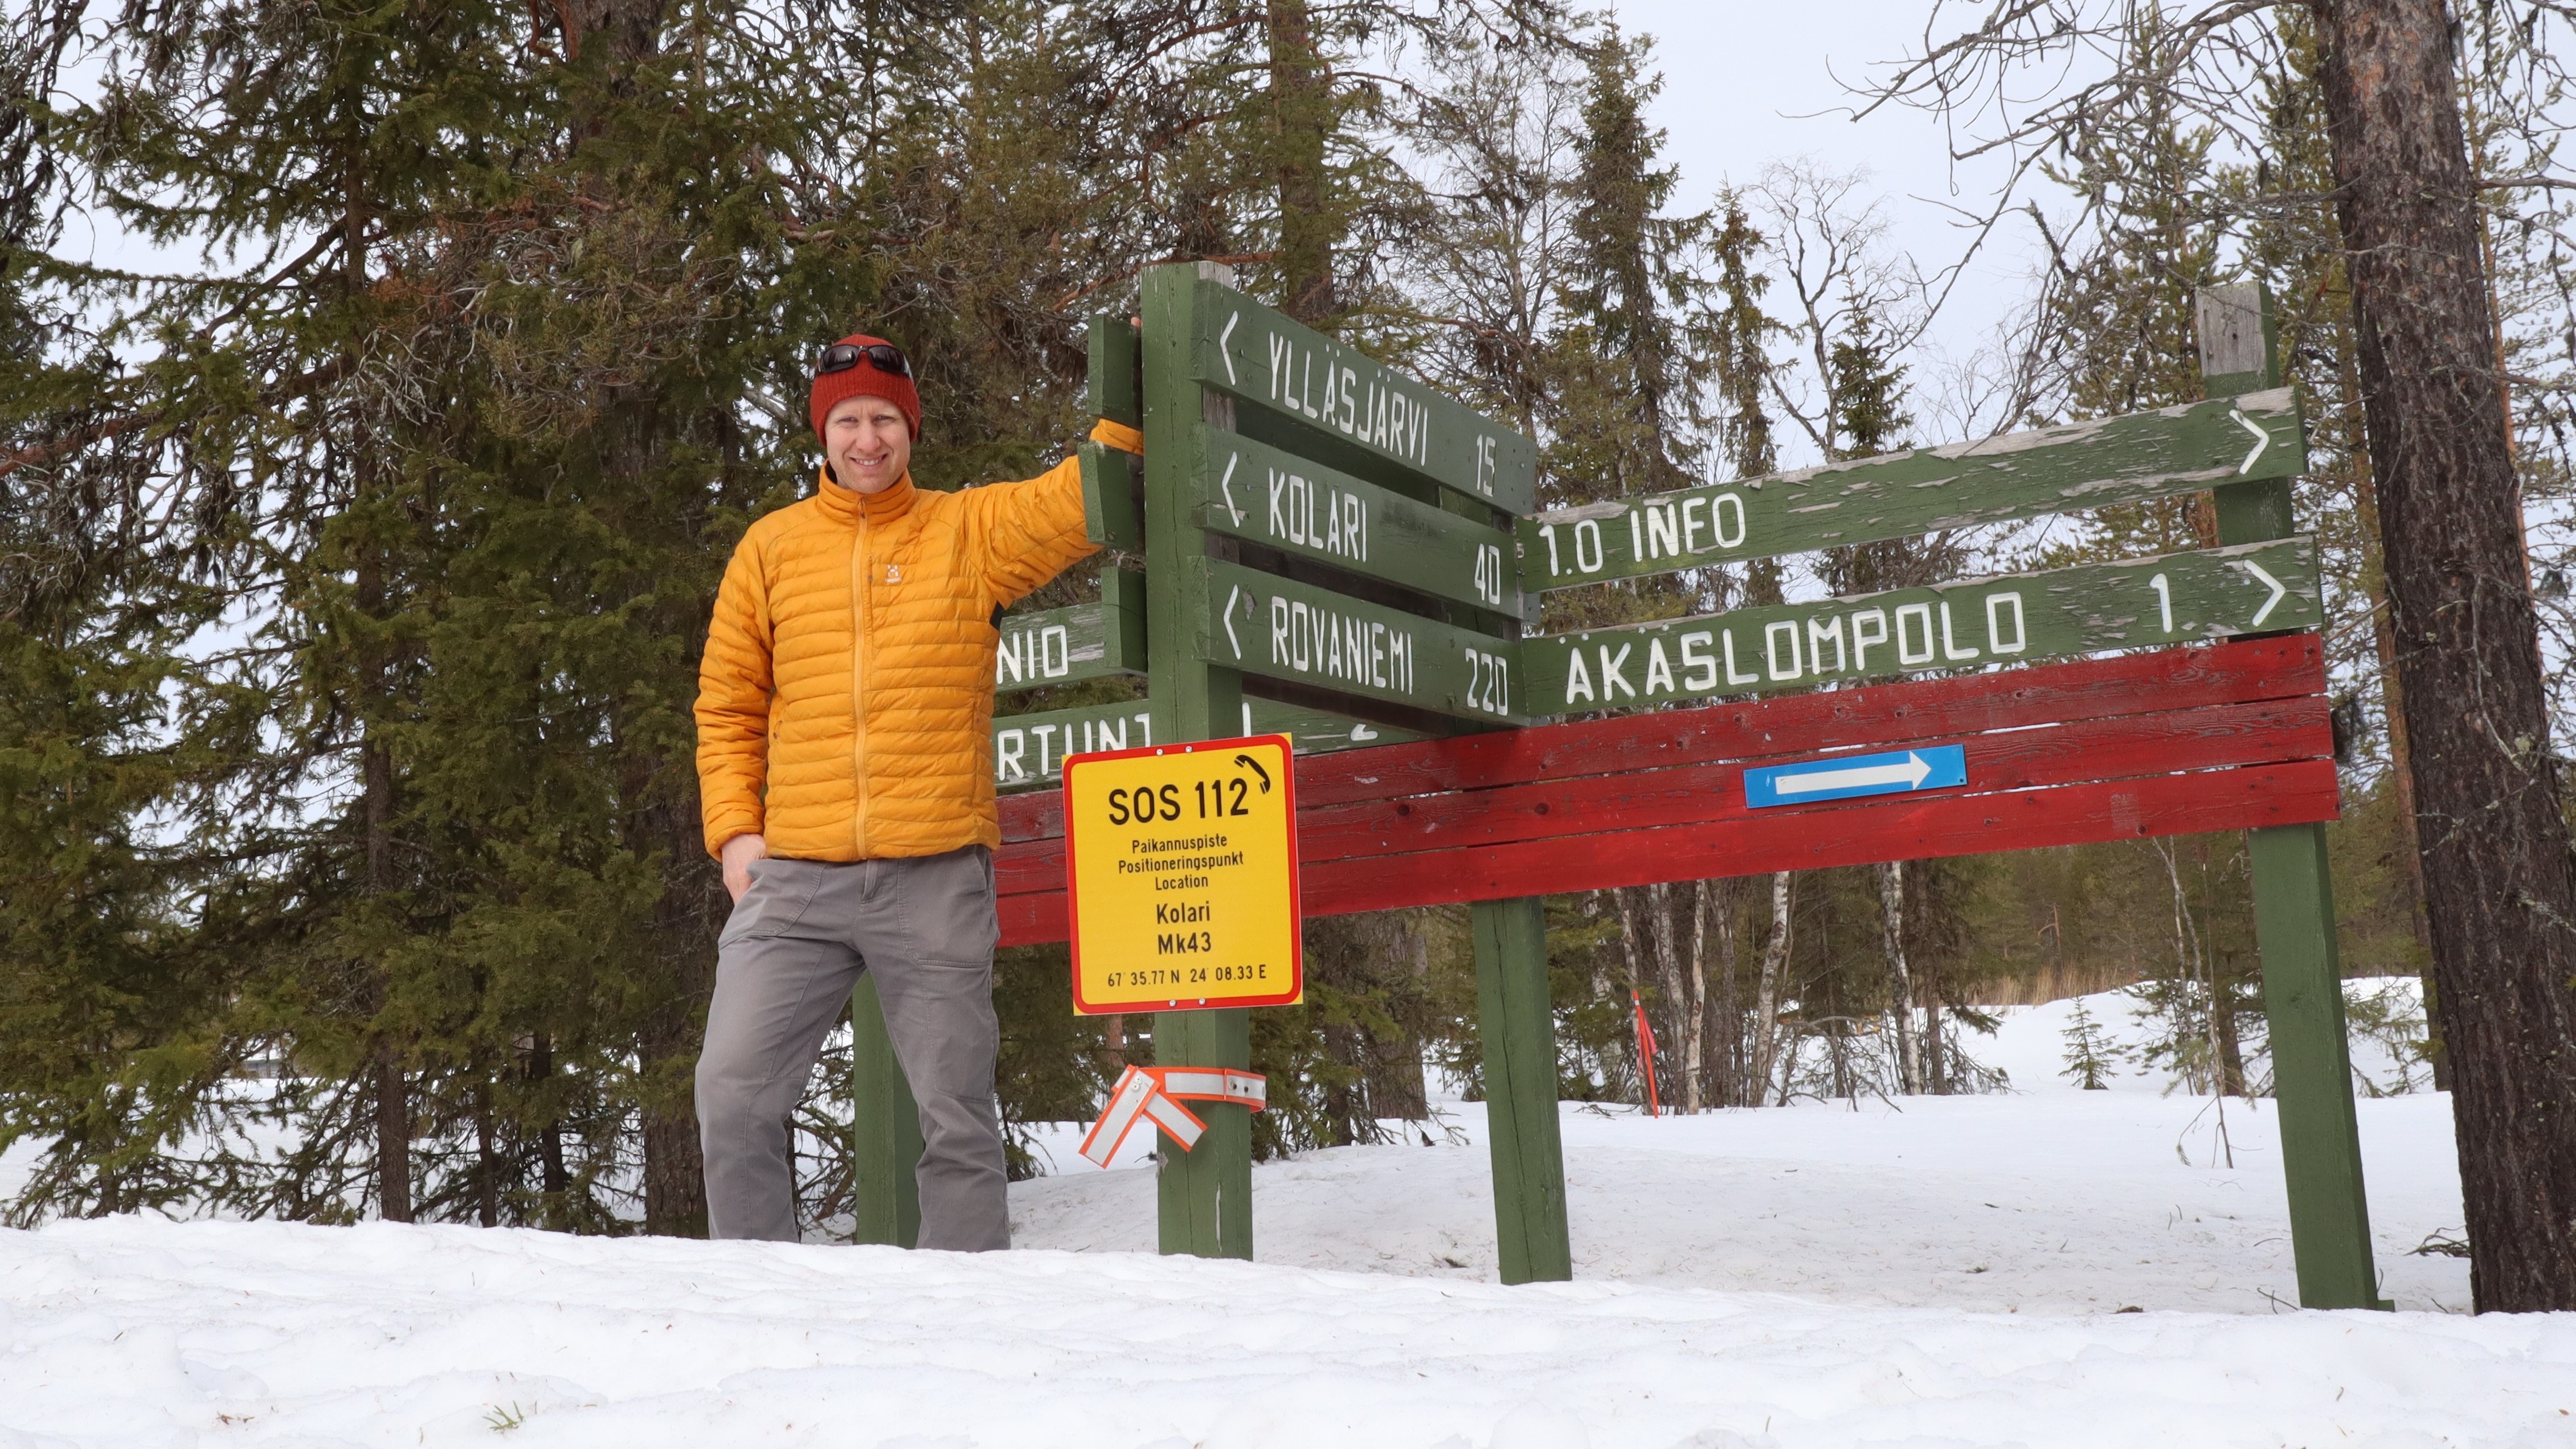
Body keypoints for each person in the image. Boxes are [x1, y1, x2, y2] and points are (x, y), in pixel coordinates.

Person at [691, 334, 1139, 1247]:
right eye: (849, 420)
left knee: (957, 1115)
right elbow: (727, 703)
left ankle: (961, 1320)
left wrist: (1135, 392)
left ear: (911, 431)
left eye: (885, 421)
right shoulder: (770, 548)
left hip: (933, 873)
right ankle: (758, 1302)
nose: (867, 440)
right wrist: (737, 834)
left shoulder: (967, 533)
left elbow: (1078, 502)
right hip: (796, 882)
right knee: (732, 1093)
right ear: (823, 433)